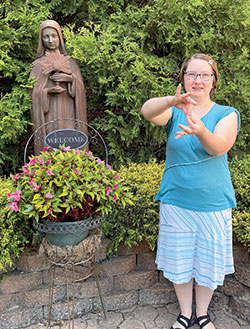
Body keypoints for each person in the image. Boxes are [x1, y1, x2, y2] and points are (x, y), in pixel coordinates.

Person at [141, 53, 240, 329]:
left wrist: (199, 130)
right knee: (179, 261)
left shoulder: (226, 114)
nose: (198, 80)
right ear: (183, 79)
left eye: (204, 75)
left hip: (213, 203)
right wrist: (173, 101)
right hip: (176, 201)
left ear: (213, 81)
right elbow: (147, 111)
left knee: (208, 264)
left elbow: (219, 146)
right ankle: (185, 313)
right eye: (191, 74)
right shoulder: (174, 111)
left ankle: (203, 314)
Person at [29, 20, 87, 155]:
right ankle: (49, 170)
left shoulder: (71, 62)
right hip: (48, 113)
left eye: (54, 36)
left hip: (69, 111)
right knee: (51, 141)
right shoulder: (37, 65)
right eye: (46, 36)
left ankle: (74, 169)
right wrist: (48, 91)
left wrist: (70, 79)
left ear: (60, 37)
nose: (50, 40)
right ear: (41, 39)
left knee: (71, 141)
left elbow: (80, 91)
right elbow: (33, 94)